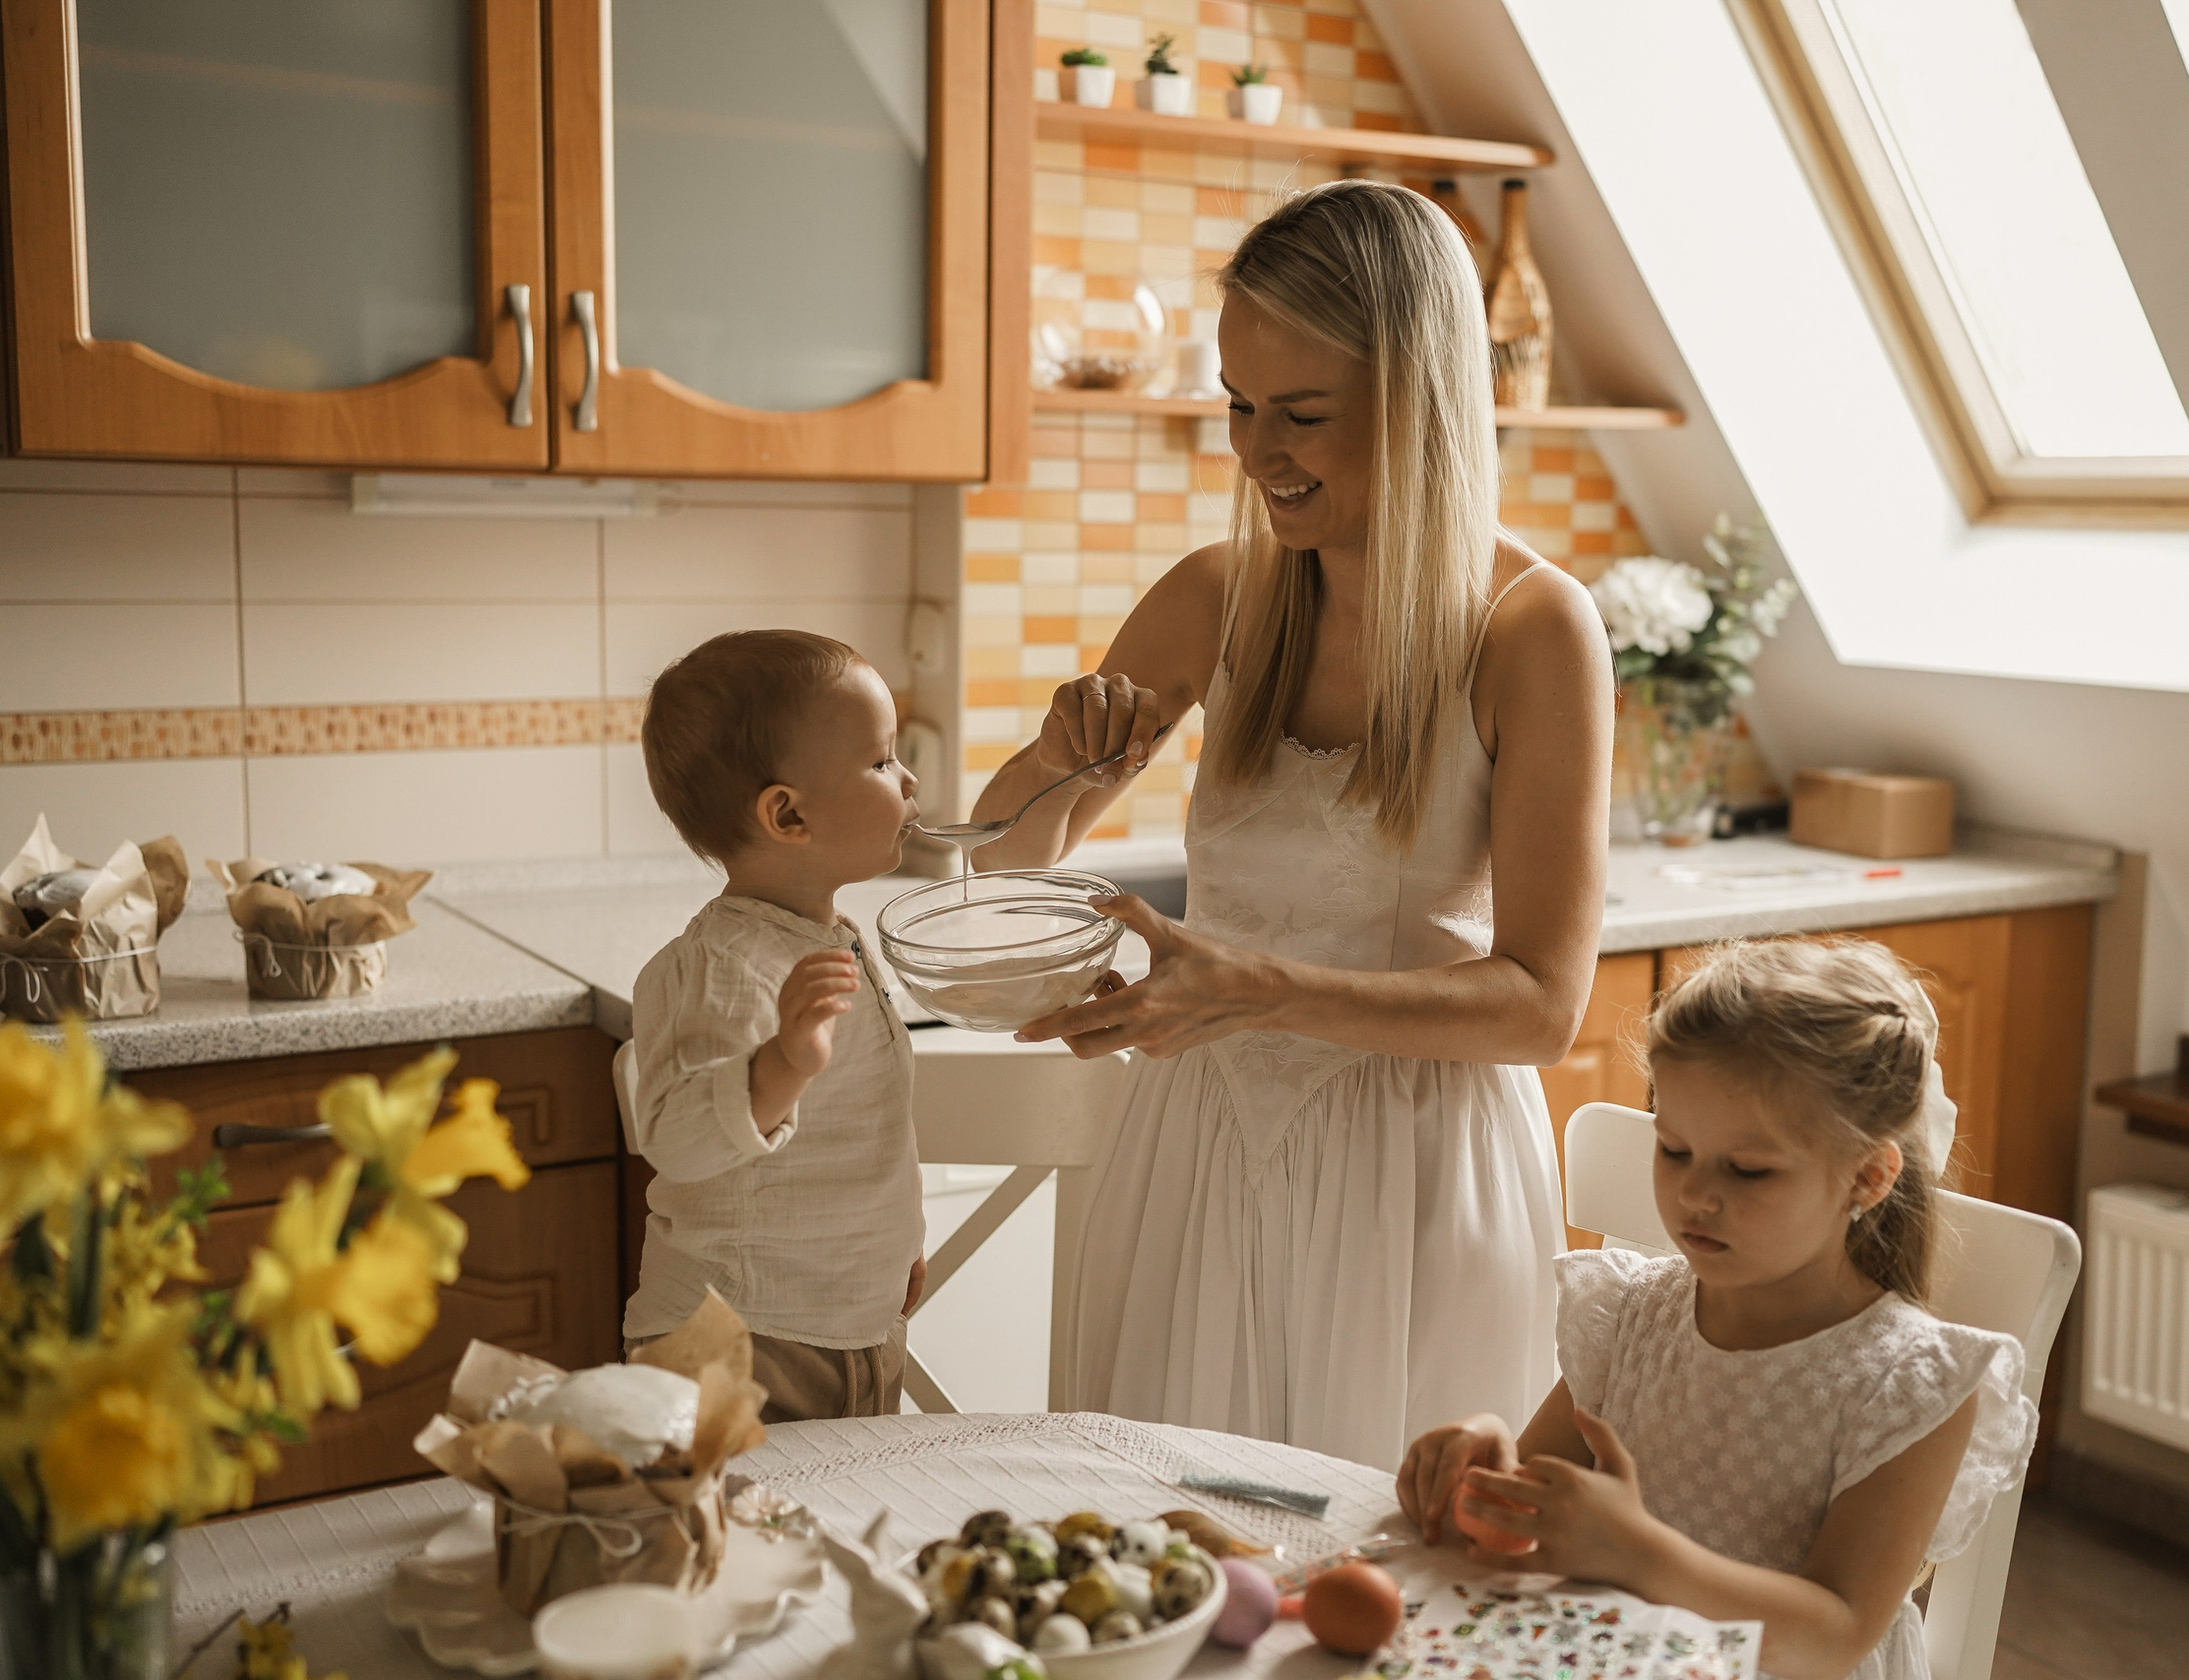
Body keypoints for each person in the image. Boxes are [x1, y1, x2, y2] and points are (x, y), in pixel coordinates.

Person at [968, 179, 1615, 1470]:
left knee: (1387, 1595)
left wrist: (1256, 988)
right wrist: (1052, 759)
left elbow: (1544, 1003)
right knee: (1170, 1548)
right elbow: (999, 868)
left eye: (1302, 415)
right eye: (1238, 407)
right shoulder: (1215, 595)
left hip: (1415, 1175)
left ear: (1422, 398)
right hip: (1196, 1153)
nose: (1258, 452)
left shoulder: (1535, 628)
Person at [1398, 939, 2036, 1680]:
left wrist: (1637, 1550)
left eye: (1748, 1169)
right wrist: (1486, 1457)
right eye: (1674, 1150)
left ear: (1866, 1177)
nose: (1696, 1194)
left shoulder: (1910, 1383)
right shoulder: (1632, 1315)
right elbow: (1541, 1497)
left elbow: (1835, 1633)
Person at [620, 629, 927, 1421]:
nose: (910, 779)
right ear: (787, 813)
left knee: (823, 1538)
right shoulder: (728, 965)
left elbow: (859, 1125)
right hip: (741, 1338)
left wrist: (898, 1243)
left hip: (843, 1322)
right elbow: (678, 1138)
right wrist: (780, 1066)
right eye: (883, 761)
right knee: (733, 1539)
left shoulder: (828, 933)